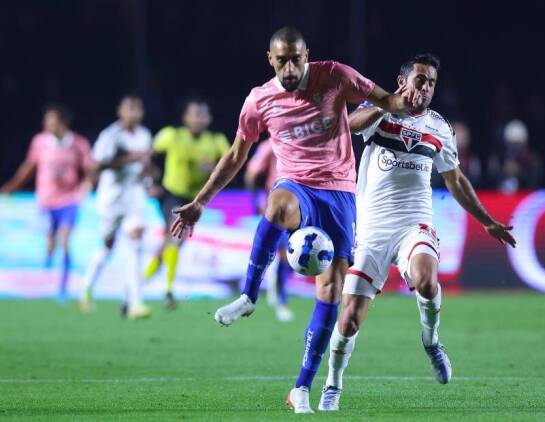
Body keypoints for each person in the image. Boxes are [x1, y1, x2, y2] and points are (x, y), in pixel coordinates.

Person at [170, 26, 424, 413]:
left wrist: (406, 101)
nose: (290, 67)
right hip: (297, 184)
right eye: (282, 59)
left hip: (339, 192)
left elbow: (384, 100)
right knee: (276, 206)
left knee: (331, 291)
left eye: (296, 58)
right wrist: (200, 201)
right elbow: (237, 155)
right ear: (269, 59)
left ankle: (301, 387)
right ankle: (249, 295)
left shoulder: (336, 75)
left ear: (307, 55)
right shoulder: (259, 100)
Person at [317, 54, 517, 411]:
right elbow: (346, 126)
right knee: (349, 318)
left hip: (415, 221)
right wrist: (385, 106)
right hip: (373, 228)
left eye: (431, 83)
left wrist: (486, 220)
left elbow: (455, 180)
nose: (425, 88)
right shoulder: (379, 110)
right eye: (420, 80)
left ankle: (431, 341)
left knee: (426, 279)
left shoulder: (440, 127)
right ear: (402, 81)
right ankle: (333, 384)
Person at [0, 104, 93, 301]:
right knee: (51, 244)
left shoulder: (78, 143)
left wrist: (87, 185)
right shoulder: (40, 142)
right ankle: (44, 278)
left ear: (62, 122)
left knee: (66, 243)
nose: (46, 124)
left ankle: (63, 288)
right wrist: (12, 186)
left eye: (51, 120)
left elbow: (90, 169)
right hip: (46, 200)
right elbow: (29, 166)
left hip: (69, 200)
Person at [144, 98, 229, 309]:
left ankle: (142, 280)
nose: (198, 119)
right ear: (185, 117)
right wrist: (151, 182)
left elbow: (231, 167)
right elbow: (148, 157)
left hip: (195, 201)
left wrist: (215, 170)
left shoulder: (216, 141)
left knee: (172, 241)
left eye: (202, 115)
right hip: (171, 194)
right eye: (194, 114)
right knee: (175, 237)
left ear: (209, 119)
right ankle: (169, 292)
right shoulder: (171, 135)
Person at [79, 95, 153, 319]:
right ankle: (86, 287)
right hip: (111, 197)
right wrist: (127, 159)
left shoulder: (144, 135)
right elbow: (97, 166)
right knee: (107, 246)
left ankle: (134, 302)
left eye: (138, 108)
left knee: (136, 242)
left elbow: (144, 164)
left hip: (134, 195)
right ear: (120, 111)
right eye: (130, 108)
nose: (134, 113)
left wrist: (149, 182)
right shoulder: (111, 135)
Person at [244, 139, 293, 322]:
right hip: (278, 205)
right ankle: (279, 299)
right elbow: (251, 173)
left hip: (303, 202)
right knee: (285, 253)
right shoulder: (270, 146)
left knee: (292, 255)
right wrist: (256, 200)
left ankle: (275, 289)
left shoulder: (306, 141)